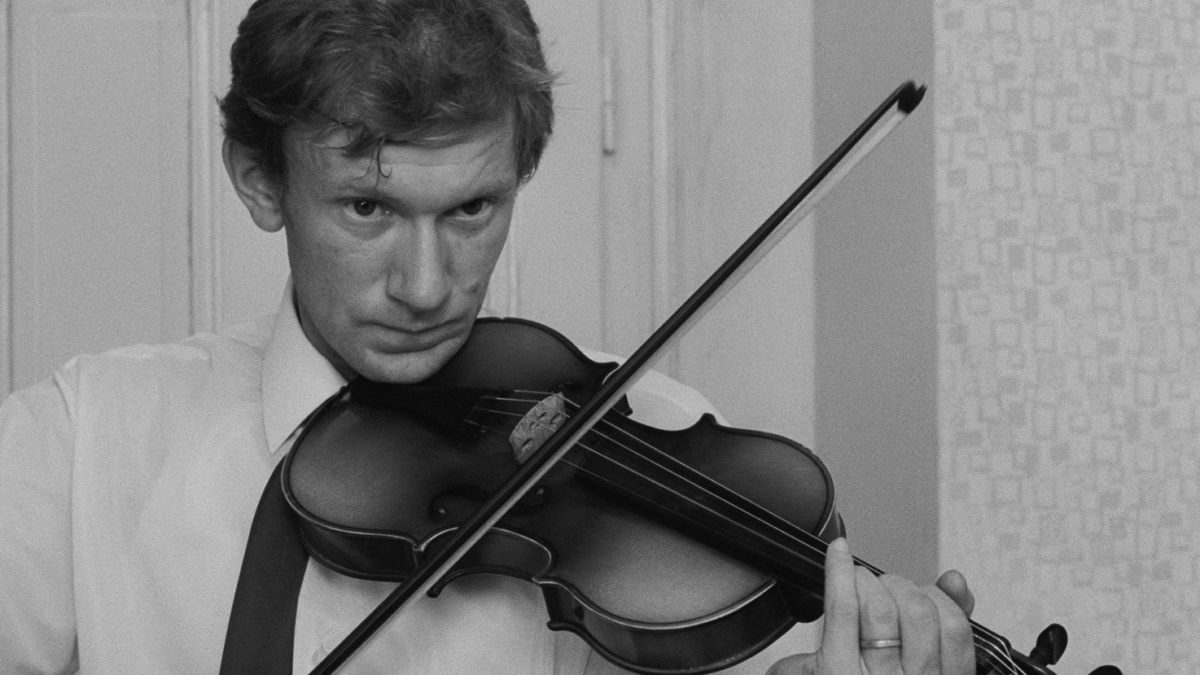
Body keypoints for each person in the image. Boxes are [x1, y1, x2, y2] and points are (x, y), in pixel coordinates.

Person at [0, 0, 976, 673]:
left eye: (472, 208)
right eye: (369, 208)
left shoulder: (651, 438)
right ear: (261, 181)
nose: (427, 287)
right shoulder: (80, 440)